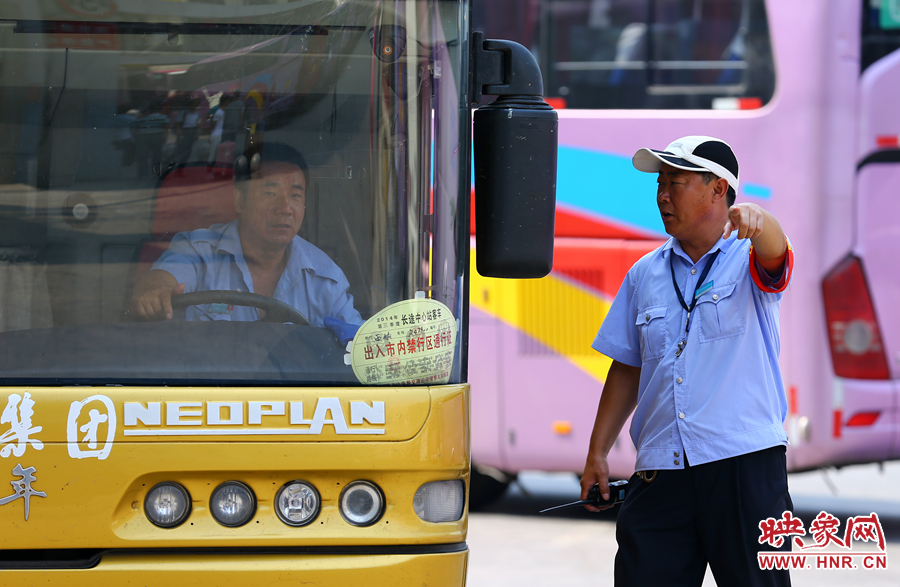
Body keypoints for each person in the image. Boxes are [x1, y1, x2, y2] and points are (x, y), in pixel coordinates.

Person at [581, 136, 794, 587]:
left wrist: (764, 220)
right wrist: (598, 452)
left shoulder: (748, 258)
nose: (662, 195)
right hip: (662, 470)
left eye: (675, 182)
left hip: (742, 461)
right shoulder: (644, 273)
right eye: (660, 184)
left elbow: (777, 253)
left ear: (718, 189)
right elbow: (628, 365)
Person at [131, 142, 363, 329]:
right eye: (270, 192)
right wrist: (154, 294)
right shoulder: (199, 252)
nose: (285, 208)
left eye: (295, 196)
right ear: (240, 201)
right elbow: (161, 281)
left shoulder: (324, 277)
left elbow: (360, 344)